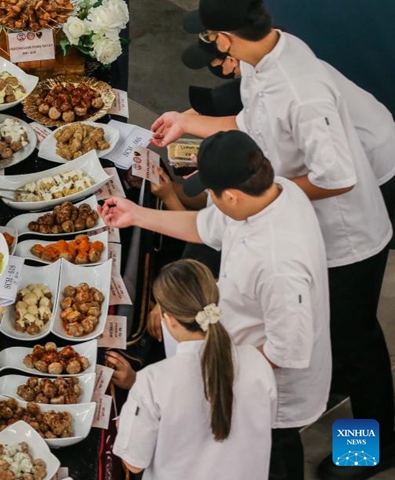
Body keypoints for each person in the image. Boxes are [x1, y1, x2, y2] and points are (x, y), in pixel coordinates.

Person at [151, 3, 394, 477]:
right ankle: (336, 380)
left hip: (349, 241)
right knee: (342, 338)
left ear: (223, 38)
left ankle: (369, 449)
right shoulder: (268, 56)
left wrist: (264, 193)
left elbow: (338, 176)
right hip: (313, 227)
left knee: (357, 343)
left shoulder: (302, 92)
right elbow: (252, 124)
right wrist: (187, 122)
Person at [100, 130, 332, 480]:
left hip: (265, 388)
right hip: (235, 362)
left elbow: (288, 351)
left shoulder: (279, 265)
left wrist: (208, 373)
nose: (207, 198)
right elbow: (206, 226)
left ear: (233, 196)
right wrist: (137, 215)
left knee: (274, 459)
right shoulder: (274, 190)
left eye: (211, 192)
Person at [182, 37, 395, 233]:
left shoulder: (287, 92)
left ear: (229, 52)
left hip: (374, 152)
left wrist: (261, 192)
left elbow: (335, 179)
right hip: (369, 138)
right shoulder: (263, 67)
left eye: (217, 65)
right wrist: (182, 121)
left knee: (378, 219)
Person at [110, 259, 277, 480]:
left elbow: (134, 463)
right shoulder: (257, 362)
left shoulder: (152, 381)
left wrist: (126, 422)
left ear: (169, 320)